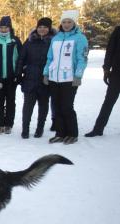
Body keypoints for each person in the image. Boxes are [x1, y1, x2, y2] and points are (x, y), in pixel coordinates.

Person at [43, 10, 88, 144]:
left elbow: (82, 58)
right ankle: (60, 133)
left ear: (74, 23)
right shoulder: (56, 38)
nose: (66, 24)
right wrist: (46, 73)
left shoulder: (80, 38)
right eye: (64, 22)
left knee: (66, 106)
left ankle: (72, 133)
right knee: (56, 106)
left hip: (69, 79)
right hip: (54, 78)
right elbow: (50, 57)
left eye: (69, 22)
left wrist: (78, 75)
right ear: (61, 23)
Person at [16, 17, 56, 139]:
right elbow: (21, 58)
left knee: (43, 107)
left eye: (45, 27)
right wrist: (18, 74)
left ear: (49, 29)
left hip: (46, 79)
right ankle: (25, 129)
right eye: (40, 27)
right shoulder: (29, 41)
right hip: (30, 78)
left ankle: (40, 129)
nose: (42, 29)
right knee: (28, 106)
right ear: (36, 28)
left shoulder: (54, 42)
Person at [85, 25, 120, 137]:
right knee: (108, 102)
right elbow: (110, 49)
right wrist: (106, 68)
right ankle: (98, 129)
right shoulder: (118, 30)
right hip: (117, 73)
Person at [0, 16, 22, 134]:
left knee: (10, 101)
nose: (3, 30)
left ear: (9, 28)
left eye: (6, 27)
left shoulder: (15, 41)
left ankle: (9, 124)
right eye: (1, 27)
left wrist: (18, 74)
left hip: (11, 77)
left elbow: (21, 58)